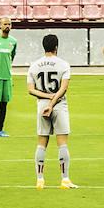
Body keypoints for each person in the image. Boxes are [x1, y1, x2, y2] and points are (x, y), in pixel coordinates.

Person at [27, 34, 75, 189]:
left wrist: (47, 99)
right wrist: (53, 101)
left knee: (42, 143)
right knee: (62, 143)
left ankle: (40, 180)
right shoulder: (63, 65)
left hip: (42, 106)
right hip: (59, 105)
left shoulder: (34, 65)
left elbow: (30, 90)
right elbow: (64, 88)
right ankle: (65, 179)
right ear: (56, 47)